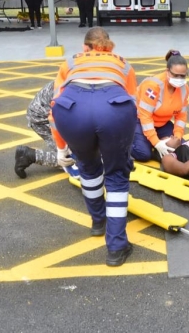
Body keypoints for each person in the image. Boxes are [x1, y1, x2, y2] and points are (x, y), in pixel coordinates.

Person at [49, 27, 137, 267]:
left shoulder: (70, 62)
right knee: (117, 176)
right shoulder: (124, 64)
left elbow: (55, 105)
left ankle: (98, 222)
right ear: (108, 46)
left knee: (88, 168)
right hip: (114, 109)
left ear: (85, 46)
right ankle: (117, 247)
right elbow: (133, 103)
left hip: (72, 110)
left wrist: (60, 148)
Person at [14, 81, 81, 179]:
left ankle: (29, 155)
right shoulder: (74, 90)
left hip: (50, 112)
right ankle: (28, 156)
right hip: (43, 118)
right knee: (78, 160)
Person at [131, 50, 189, 162]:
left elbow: (181, 116)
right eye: (175, 75)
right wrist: (156, 143)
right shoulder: (153, 86)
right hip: (137, 120)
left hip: (161, 123)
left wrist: (177, 136)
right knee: (143, 154)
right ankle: (119, 139)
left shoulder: (184, 89)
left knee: (182, 148)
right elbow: (145, 116)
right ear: (167, 71)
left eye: (183, 76)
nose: (179, 79)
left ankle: (151, 144)